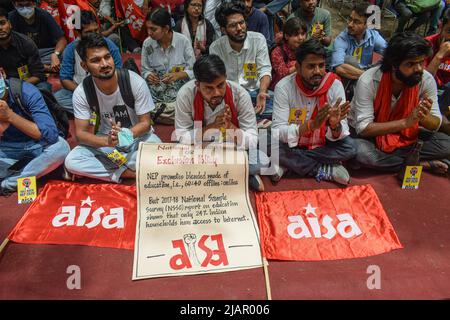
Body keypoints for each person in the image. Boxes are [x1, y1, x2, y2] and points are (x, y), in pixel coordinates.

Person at [64, 33, 161, 182]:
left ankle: (116, 168)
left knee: (158, 152)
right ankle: (128, 172)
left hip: (136, 140)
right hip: (106, 146)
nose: (104, 64)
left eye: (107, 57)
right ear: (84, 66)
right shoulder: (82, 92)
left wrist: (124, 135)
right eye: (96, 60)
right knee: (72, 161)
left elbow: (145, 123)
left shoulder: (134, 81)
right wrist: (107, 141)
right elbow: (81, 134)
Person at [350, 32, 450, 176]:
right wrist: (406, 122)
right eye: (410, 64)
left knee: (447, 145)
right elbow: (364, 128)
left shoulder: (425, 79)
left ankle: (399, 162)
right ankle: (420, 164)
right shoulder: (369, 81)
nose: (419, 69)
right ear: (394, 65)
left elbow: (435, 123)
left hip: (407, 136)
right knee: (360, 152)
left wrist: (424, 117)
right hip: (371, 136)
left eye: (421, 62)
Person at [175, 54, 277, 191]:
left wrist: (231, 128)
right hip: (201, 148)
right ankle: (243, 175)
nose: (216, 92)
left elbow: (252, 140)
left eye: (220, 85)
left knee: (261, 162)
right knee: (177, 158)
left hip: (232, 147)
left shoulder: (240, 94)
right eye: (209, 88)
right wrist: (212, 127)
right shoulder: (185, 95)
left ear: (226, 78)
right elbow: (181, 137)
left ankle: (217, 175)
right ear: (197, 85)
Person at [271, 39, 356, 185]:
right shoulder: (283, 87)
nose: (317, 71)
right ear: (298, 67)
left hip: (322, 145)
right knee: (265, 141)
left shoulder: (334, 85)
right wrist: (309, 126)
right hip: (293, 142)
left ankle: (290, 163)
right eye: (311, 66)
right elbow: (278, 131)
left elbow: (342, 132)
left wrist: (334, 126)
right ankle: (322, 169)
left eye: (321, 65)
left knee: (350, 148)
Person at [0, 69, 70, 195]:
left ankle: (7, 183)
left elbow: (50, 135)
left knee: (61, 148)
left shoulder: (25, 91)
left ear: (2, 73)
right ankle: (33, 172)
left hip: (38, 145)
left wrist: (11, 117)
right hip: (7, 150)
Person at [210, 1, 273, 120]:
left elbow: (265, 69)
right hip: (229, 96)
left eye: (242, 23)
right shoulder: (215, 48)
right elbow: (218, 79)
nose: (239, 28)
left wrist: (262, 92)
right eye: (233, 25)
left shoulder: (258, 40)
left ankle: (244, 119)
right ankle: (249, 119)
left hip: (255, 93)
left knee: (274, 106)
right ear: (223, 30)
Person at [54, 10, 123, 113]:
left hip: (108, 89)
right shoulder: (70, 49)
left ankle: (91, 111)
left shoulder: (109, 45)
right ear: (79, 33)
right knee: (57, 99)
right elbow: (65, 80)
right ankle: (102, 111)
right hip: (82, 90)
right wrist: (85, 93)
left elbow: (119, 73)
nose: (94, 35)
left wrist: (103, 92)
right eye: (88, 32)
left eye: (96, 30)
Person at [142, 7, 195, 123]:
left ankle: (159, 115)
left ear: (166, 28)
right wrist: (149, 75)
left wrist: (179, 75)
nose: (149, 33)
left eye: (153, 29)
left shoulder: (183, 41)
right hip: (156, 91)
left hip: (179, 91)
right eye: (148, 29)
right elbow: (145, 70)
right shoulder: (147, 43)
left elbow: (194, 71)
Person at [331, 3, 387, 100]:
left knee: (387, 61)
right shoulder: (341, 39)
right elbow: (339, 68)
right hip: (347, 78)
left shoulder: (373, 36)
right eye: (350, 19)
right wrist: (368, 76)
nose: (350, 24)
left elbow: (390, 52)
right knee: (348, 61)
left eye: (356, 22)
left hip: (365, 74)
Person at [8, 0, 67, 73]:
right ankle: (47, 67)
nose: (25, 9)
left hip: (46, 52)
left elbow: (62, 40)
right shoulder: (11, 18)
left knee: (67, 53)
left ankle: (43, 66)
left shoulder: (44, 15)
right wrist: (45, 67)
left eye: (28, 5)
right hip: (25, 55)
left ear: (34, 3)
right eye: (20, 5)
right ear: (14, 4)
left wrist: (55, 54)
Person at [0, 7, 50, 91]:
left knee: (43, 88)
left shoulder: (26, 43)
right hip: (3, 87)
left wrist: (16, 88)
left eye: (2, 23)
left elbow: (38, 75)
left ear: (9, 24)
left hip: (27, 83)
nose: (0, 28)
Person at [426, 7, 450, 136]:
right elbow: (422, 82)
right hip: (428, 97)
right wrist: (439, 56)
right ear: (440, 26)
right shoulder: (427, 44)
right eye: (449, 31)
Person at [270, 17, 307, 90]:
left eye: (303, 34)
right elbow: (283, 74)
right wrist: (301, 64)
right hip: (279, 89)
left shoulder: (306, 49)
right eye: (296, 35)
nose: (301, 38)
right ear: (286, 36)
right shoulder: (277, 52)